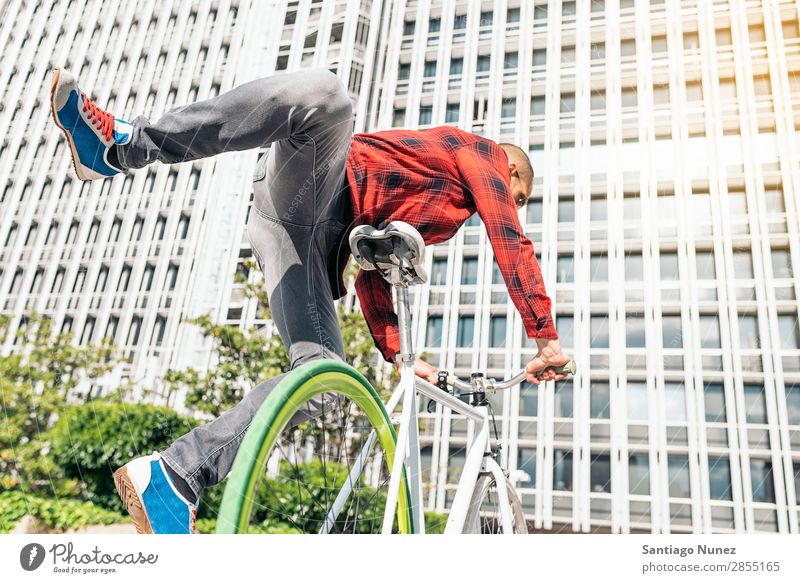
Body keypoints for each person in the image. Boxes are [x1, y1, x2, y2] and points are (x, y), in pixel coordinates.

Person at [50, 66, 572, 534]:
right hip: (314, 186)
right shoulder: (478, 152)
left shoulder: (443, 213)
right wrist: (545, 336)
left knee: (321, 382)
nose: (505, 204)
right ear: (511, 171)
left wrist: (401, 359)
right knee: (325, 98)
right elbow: (510, 238)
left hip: (304, 247)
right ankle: (122, 145)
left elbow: (372, 262)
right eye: (515, 193)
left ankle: (174, 478)